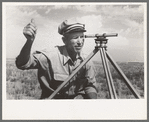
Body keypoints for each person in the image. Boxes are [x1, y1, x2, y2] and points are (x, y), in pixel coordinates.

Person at [15, 19, 97, 99]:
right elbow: (23, 64)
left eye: (82, 37)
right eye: (75, 37)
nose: (80, 42)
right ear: (64, 40)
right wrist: (29, 41)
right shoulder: (51, 56)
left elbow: (90, 85)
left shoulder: (87, 60)